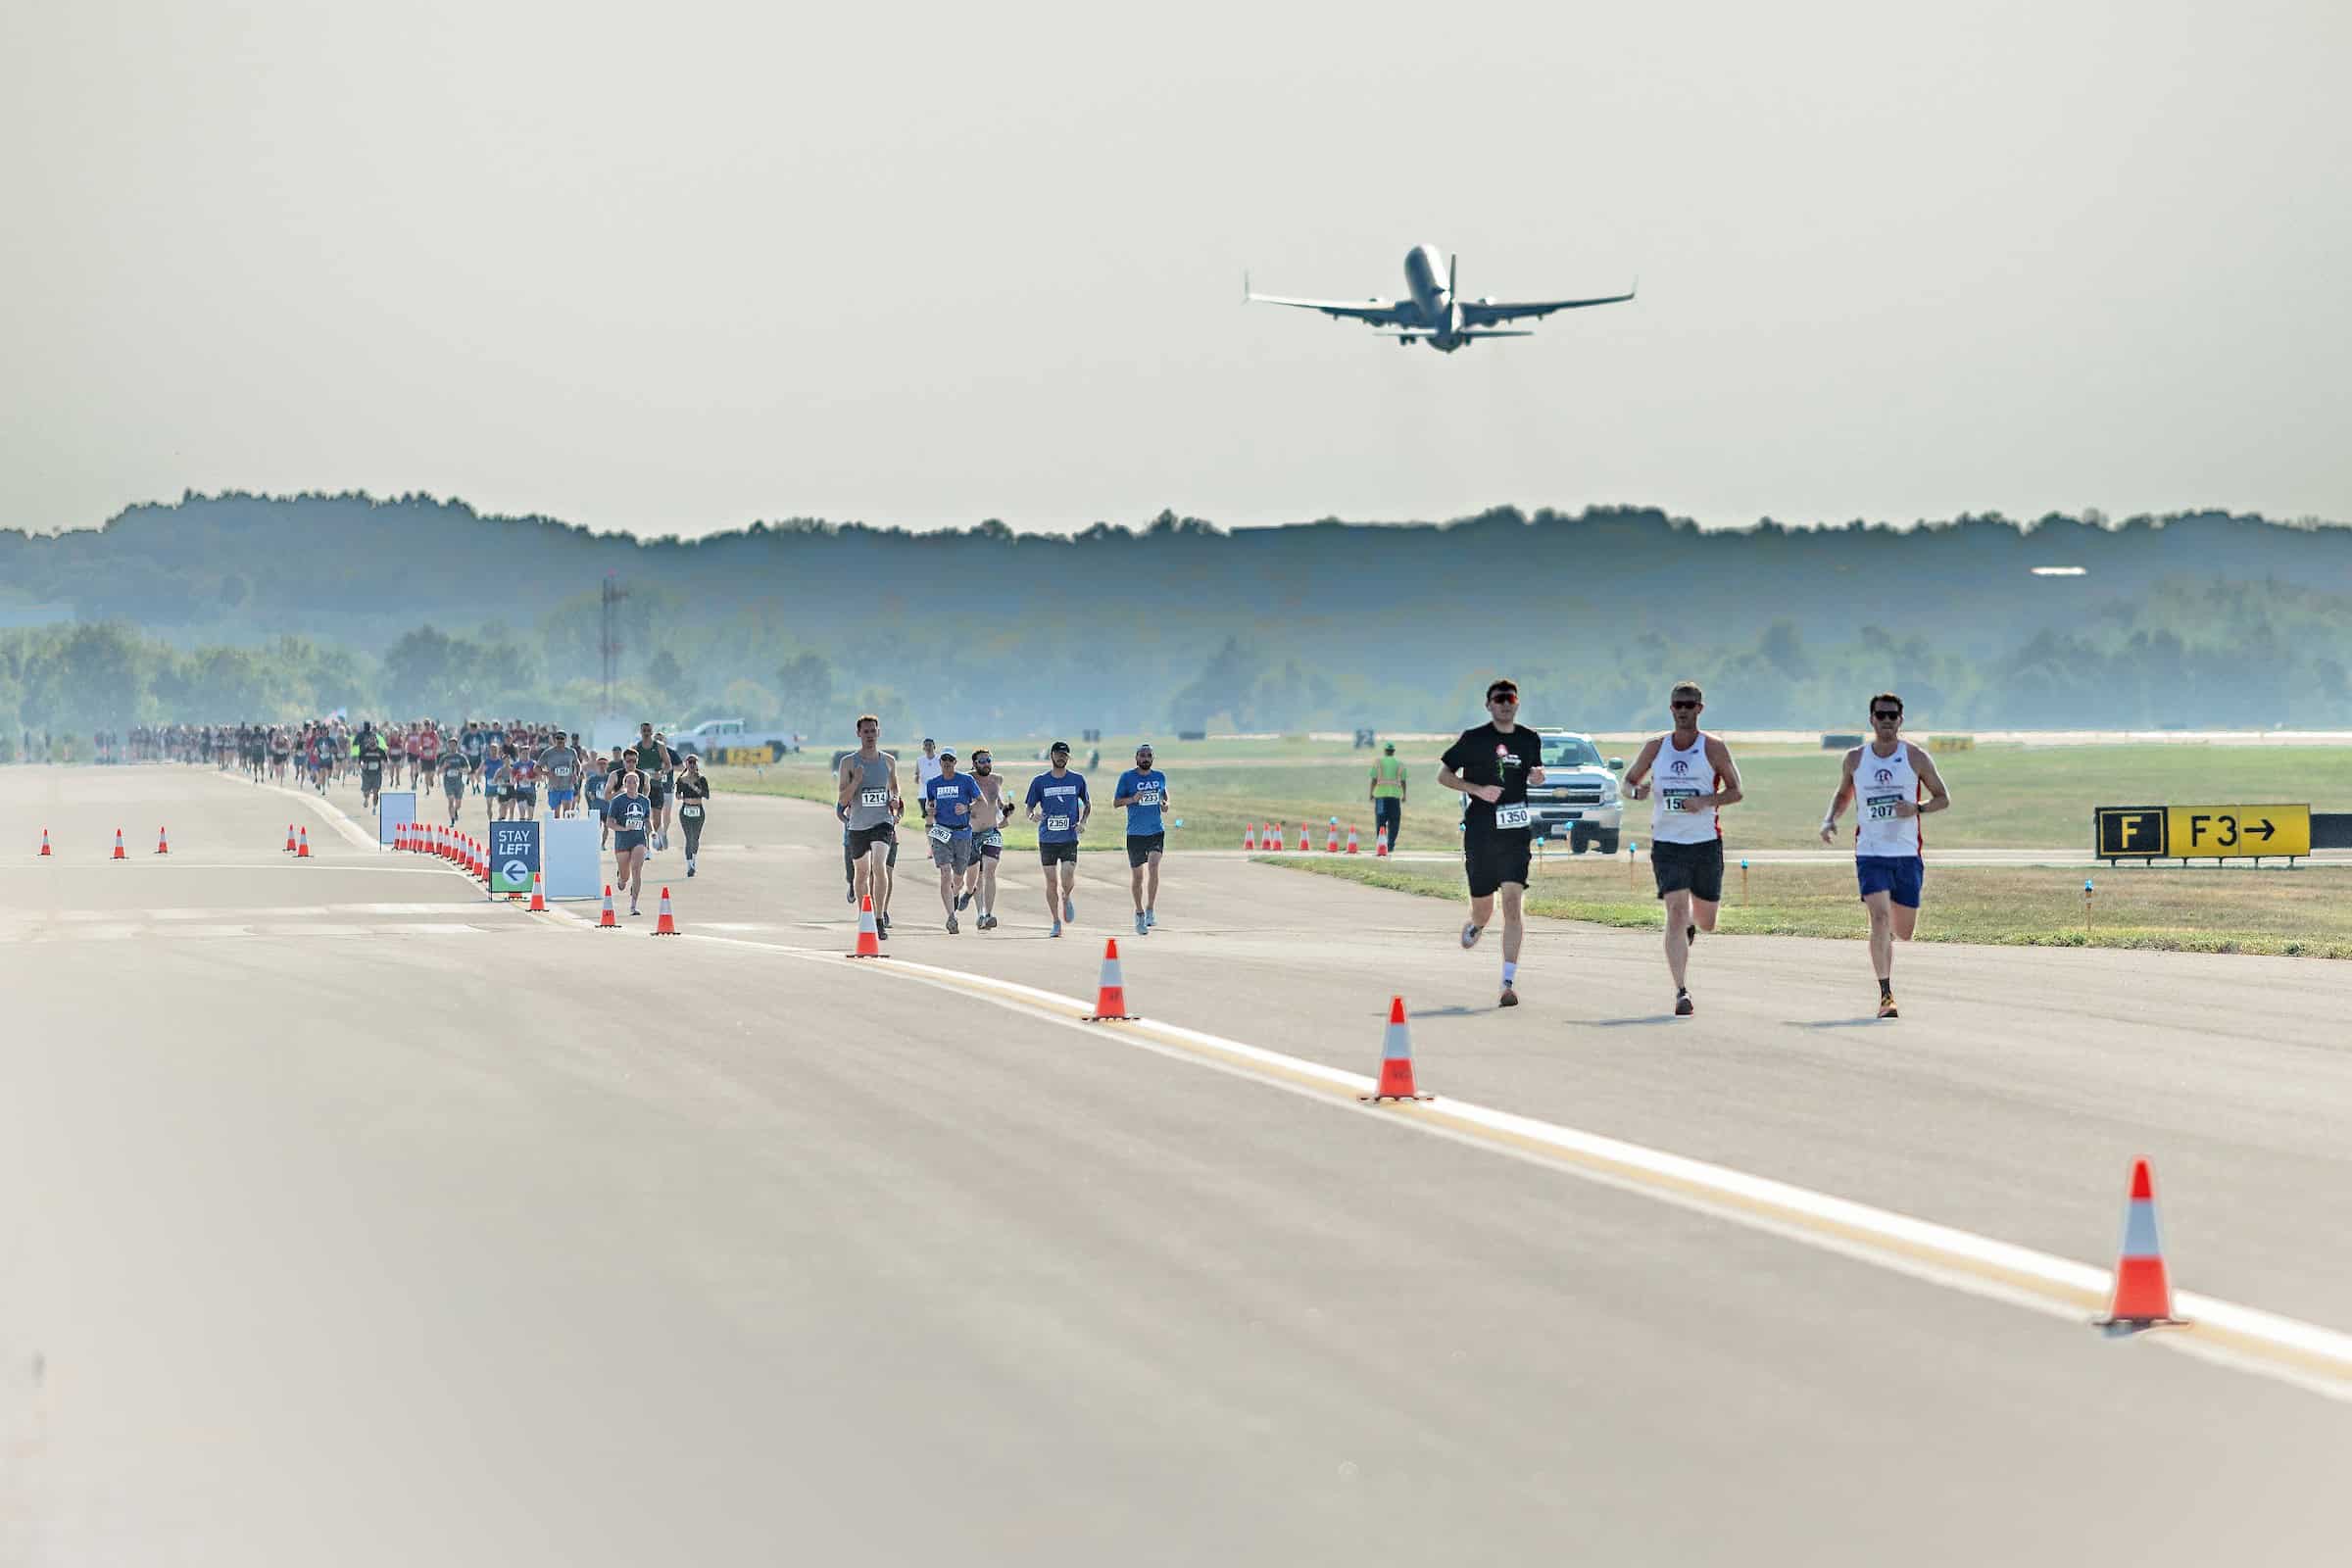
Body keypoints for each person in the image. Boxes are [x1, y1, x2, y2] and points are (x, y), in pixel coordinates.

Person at [1820, 693, 1951, 1020]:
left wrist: (1917, 808)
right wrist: (1830, 819)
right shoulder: (1855, 759)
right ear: (1872, 719)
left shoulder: (1915, 757)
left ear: (1901, 720)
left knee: (1903, 930)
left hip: (1906, 853)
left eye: (1893, 716)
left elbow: (1943, 798)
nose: (1887, 721)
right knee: (1878, 918)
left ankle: (1886, 939)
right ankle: (1886, 995)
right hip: (1871, 853)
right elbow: (1843, 793)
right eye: (1881, 715)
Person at [1621, 681, 1744, 1017]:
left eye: (1690, 705)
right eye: (1678, 705)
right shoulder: (1656, 747)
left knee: (1707, 921)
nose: (1684, 710)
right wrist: (1637, 794)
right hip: (1667, 844)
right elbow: (1628, 782)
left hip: (1704, 842)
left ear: (1700, 709)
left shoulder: (1713, 748)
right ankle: (1681, 991)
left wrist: (1706, 801)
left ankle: (1692, 923)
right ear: (1671, 708)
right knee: (1674, 911)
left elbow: (1736, 792)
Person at [1438, 679, 1545, 1007]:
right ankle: (1476, 924)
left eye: (1510, 699)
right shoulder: (1474, 738)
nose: (1505, 704)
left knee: (1513, 903)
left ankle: (1507, 982)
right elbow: (1444, 775)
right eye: (1499, 699)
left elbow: (1534, 770)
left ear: (1517, 703)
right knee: (1484, 908)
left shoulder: (1529, 739)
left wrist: (1537, 776)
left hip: (1515, 831)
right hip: (1481, 830)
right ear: (1488, 705)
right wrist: (1476, 789)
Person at [837, 714, 901, 940]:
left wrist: (894, 800)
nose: (870, 736)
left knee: (879, 866)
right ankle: (866, 917)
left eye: (873, 731)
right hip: (858, 825)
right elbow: (843, 799)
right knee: (862, 873)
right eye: (866, 732)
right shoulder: (848, 762)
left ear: (878, 732)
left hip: (882, 822)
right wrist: (856, 781)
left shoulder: (888, 761)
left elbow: (894, 788)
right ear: (858, 734)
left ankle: (880, 918)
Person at [1024, 740, 1090, 937]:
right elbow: (1029, 807)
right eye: (1058, 754)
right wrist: (1031, 816)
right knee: (1051, 882)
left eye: (1065, 755)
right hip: (1047, 839)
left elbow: (1087, 804)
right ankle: (1055, 922)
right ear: (1051, 756)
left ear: (1068, 758)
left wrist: (1083, 822)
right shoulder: (1040, 781)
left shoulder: (1077, 779)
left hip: (1069, 837)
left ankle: (1066, 896)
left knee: (1067, 877)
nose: (1061, 757)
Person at [1111, 742, 1169, 935]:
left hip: (1156, 831)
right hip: (1135, 833)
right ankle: (1139, 912)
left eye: (1148, 755)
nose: (1145, 759)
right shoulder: (1127, 778)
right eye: (1142, 755)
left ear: (1153, 758)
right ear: (1136, 758)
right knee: (1138, 876)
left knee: (1153, 866)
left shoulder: (1159, 776)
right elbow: (1116, 802)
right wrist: (1132, 799)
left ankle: (1151, 908)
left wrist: (1165, 804)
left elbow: (1165, 795)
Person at [922, 748, 983, 932]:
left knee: (958, 878)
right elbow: (929, 804)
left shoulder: (966, 780)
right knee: (944, 873)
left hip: (962, 833)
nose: (947, 763)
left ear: (955, 762)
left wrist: (966, 807)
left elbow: (981, 801)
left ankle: (956, 892)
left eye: (951, 760)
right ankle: (951, 917)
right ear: (940, 762)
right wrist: (930, 810)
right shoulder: (933, 783)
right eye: (944, 759)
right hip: (942, 832)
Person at [960, 746, 1008, 929]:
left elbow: (1001, 803)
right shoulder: (967, 779)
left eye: (989, 760)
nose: (987, 764)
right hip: (970, 834)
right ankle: (977, 908)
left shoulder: (997, 780)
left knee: (989, 870)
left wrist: (1006, 812)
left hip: (991, 832)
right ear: (974, 763)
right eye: (982, 761)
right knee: (976, 876)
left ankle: (987, 914)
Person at [606, 770, 653, 915]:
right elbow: (609, 822)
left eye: (635, 782)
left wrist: (653, 833)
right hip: (622, 841)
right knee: (625, 877)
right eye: (629, 782)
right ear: (625, 785)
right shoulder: (618, 801)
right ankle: (621, 877)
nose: (632, 785)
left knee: (636, 869)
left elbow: (646, 820)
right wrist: (624, 828)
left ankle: (633, 906)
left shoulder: (645, 801)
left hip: (639, 840)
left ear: (639, 784)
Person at [674, 754, 710, 876]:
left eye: (694, 763)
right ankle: (689, 865)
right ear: (686, 764)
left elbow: (706, 795)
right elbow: (677, 795)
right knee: (689, 838)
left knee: (695, 838)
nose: (692, 765)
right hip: (686, 811)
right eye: (690, 762)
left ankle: (693, 860)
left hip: (698, 810)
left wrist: (694, 787)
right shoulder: (681, 779)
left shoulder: (702, 779)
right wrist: (679, 795)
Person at [1368, 741, 1407, 852]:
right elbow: (1403, 781)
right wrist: (1404, 795)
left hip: (1380, 797)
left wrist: (1371, 793)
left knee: (1380, 821)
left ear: (1385, 751)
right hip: (1395, 797)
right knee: (1394, 821)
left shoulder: (1378, 763)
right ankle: (1390, 845)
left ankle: (1381, 843)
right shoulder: (1400, 764)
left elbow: (1374, 780)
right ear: (1393, 751)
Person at [355, 724, 387, 809]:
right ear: (368, 741)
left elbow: (385, 761)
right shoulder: (364, 751)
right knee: (366, 792)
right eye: (371, 740)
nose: (372, 741)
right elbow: (359, 761)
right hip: (366, 774)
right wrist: (361, 766)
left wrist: (384, 767)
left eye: (374, 739)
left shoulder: (380, 751)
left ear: (376, 741)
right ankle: (366, 798)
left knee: (376, 791)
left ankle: (374, 807)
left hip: (377, 774)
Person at [439, 744, 471, 825]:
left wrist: (462, 770)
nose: (452, 747)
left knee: (458, 803)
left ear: (456, 746)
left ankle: (455, 810)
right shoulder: (445, 758)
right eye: (451, 745)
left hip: (459, 783)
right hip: (448, 782)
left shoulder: (461, 757)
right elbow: (439, 771)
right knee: (450, 801)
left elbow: (468, 769)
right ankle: (452, 819)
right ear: (448, 746)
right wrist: (444, 766)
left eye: (454, 745)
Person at [913, 738, 944, 823]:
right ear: (923, 748)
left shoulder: (940, 759)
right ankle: (930, 836)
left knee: (939, 817)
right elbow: (916, 773)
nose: (928, 747)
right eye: (926, 745)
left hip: (938, 793)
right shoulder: (920, 760)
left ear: (934, 746)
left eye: (930, 745)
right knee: (928, 818)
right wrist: (916, 778)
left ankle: (937, 835)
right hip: (923, 793)